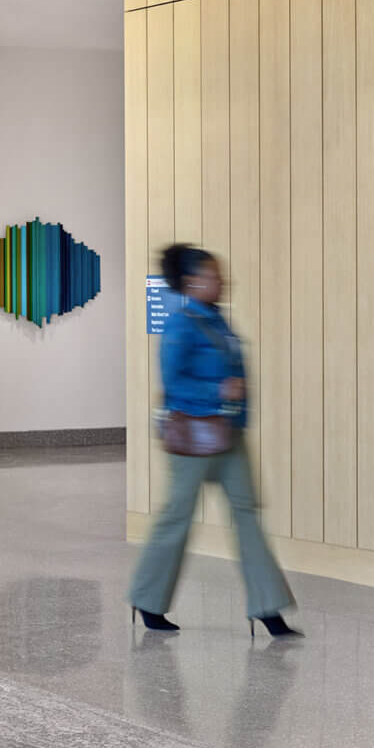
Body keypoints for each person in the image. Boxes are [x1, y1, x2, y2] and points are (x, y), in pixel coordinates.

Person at [128, 243, 299, 637]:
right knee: (177, 517)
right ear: (191, 282)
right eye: (212, 275)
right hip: (192, 436)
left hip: (228, 435)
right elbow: (173, 383)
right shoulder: (180, 324)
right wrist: (217, 391)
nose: (221, 281)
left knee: (247, 515)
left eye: (220, 275)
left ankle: (268, 607)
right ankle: (148, 599)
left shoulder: (217, 320)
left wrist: (233, 405)